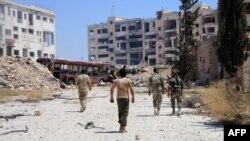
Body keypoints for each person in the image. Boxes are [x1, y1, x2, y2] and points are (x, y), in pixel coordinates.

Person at [110, 68, 135, 133]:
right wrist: (133, 97)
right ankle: (123, 128)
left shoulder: (116, 81)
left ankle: (121, 126)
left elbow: (111, 89)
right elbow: (131, 90)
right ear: (125, 74)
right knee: (125, 113)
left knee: (120, 112)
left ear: (120, 74)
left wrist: (111, 98)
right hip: (125, 98)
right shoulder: (128, 80)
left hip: (119, 98)